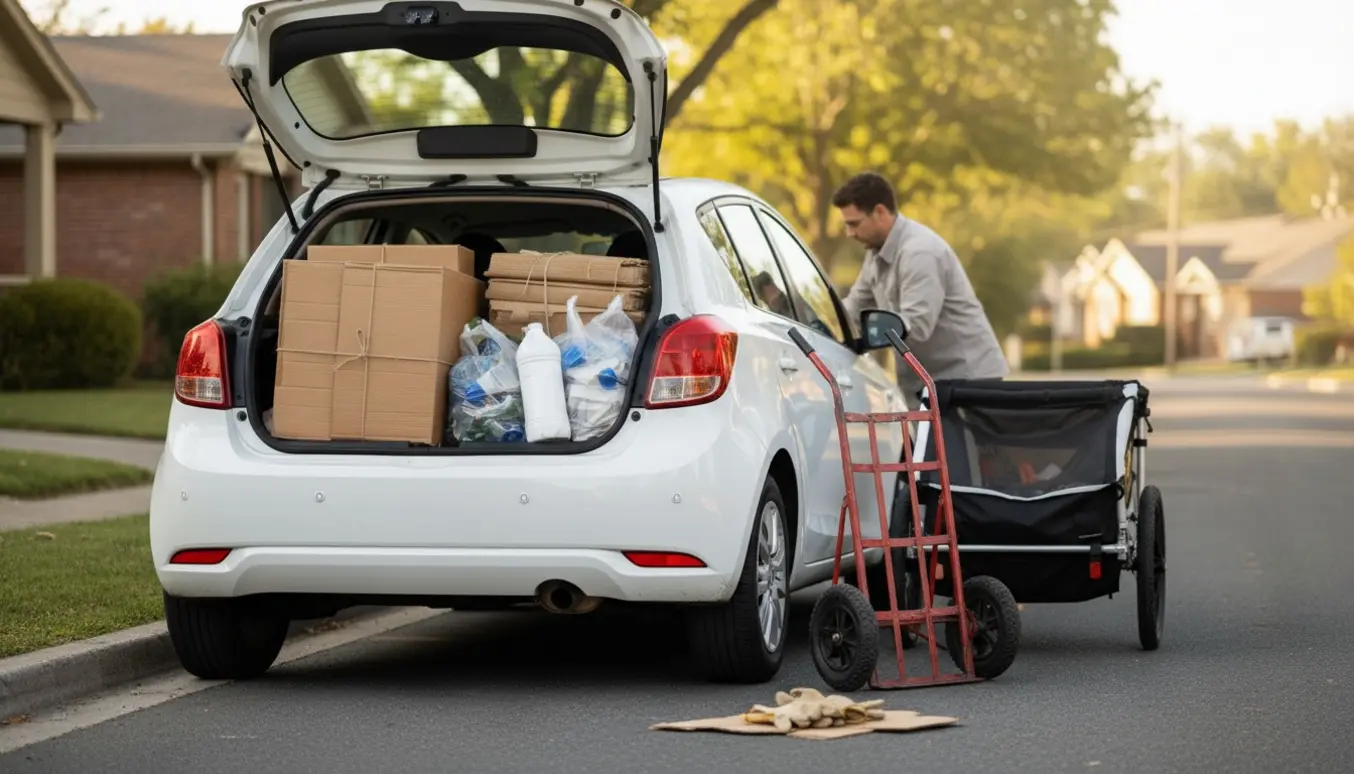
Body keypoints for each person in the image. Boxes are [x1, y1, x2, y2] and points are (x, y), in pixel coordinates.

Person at [833, 172, 1008, 401]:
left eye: (854, 224)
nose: (849, 233)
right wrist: (818, 320)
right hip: (931, 385)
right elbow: (853, 306)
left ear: (880, 212)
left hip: (967, 381)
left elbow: (917, 325)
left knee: (946, 440)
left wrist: (866, 338)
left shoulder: (919, 252)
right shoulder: (876, 252)